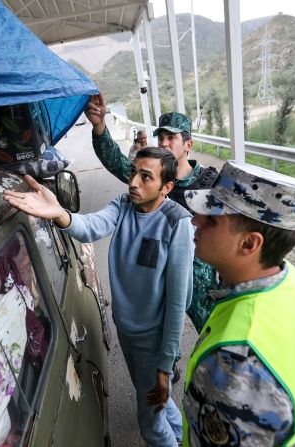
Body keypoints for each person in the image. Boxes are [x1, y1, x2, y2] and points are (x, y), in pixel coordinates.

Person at [3, 147, 194, 446]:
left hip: (153, 341)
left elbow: (178, 301)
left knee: (151, 424)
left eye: (146, 177)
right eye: (134, 173)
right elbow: (91, 227)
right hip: (128, 332)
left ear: (166, 187)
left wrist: (165, 364)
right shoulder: (123, 205)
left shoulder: (176, 222)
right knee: (158, 397)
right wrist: (60, 214)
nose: (133, 182)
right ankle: (180, 436)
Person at [181, 160, 295, 446]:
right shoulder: (294, 283)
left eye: (211, 218)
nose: (195, 220)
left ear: (249, 244)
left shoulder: (235, 364)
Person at [85, 92, 219, 336]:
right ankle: (167, 367)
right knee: (161, 329)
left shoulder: (209, 182)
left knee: (211, 330)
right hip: (157, 267)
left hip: (198, 272)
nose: (165, 143)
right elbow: (115, 161)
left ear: (188, 144)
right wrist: (100, 126)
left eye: (172, 138)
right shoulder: (150, 177)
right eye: (162, 138)